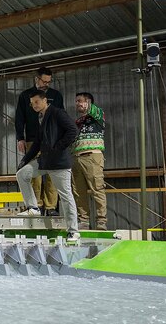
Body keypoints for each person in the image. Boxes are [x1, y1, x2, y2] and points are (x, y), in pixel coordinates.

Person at [15, 91, 79, 237]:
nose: (33, 105)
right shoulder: (41, 117)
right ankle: (33, 207)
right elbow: (37, 143)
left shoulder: (58, 113)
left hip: (59, 163)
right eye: (31, 103)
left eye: (36, 102)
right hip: (45, 161)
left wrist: (57, 148)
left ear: (45, 100)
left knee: (65, 196)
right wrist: (25, 160)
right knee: (22, 174)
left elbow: (73, 131)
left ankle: (73, 232)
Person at [15, 67, 64, 216]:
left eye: (49, 82)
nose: (46, 84)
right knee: (32, 175)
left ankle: (50, 207)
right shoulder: (25, 96)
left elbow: (61, 117)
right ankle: (35, 206)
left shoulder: (56, 95)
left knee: (51, 173)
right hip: (32, 139)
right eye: (44, 81)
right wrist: (20, 138)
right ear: (36, 79)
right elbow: (19, 118)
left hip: (52, 141)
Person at [72, 92, 106, 228]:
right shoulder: (77, 122)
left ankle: (101, 221)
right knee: (78, 191)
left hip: (92, 156)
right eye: (76, 101)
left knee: (97, 188)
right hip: (77, 157)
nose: (77, 103)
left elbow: (94, 110)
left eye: (80, 101)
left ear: (89, 102)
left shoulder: (98, 115)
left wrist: (89, 106)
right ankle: (83, 220)